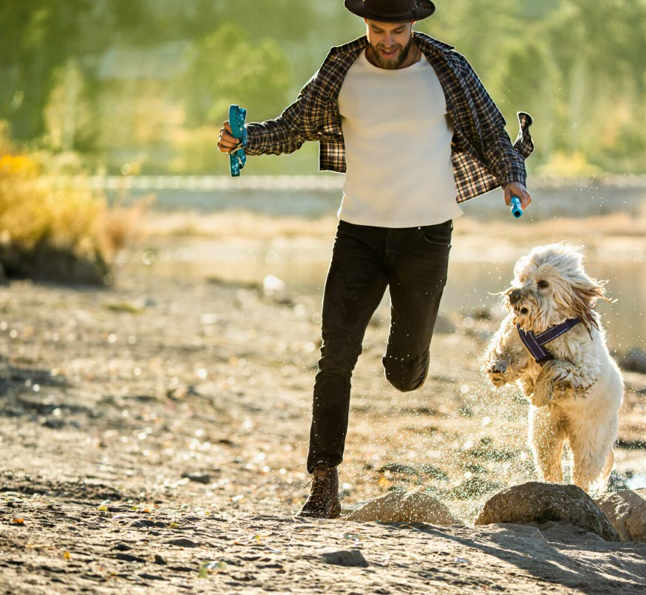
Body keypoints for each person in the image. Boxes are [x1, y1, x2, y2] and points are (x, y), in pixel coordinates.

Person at [217, 0, 534, 519]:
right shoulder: (342, 68)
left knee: (403, 373)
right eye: (376, 29)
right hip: (358, 235)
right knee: (334, 358)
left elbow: (490, 134)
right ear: (364, 24)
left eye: (397, 30)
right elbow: (296, 126)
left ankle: (411, 363)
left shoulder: (448, 69)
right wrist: (247, 139)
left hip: (426, 237)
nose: (386, 40)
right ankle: (323, 483)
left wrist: (512, 175)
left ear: (415, 25)